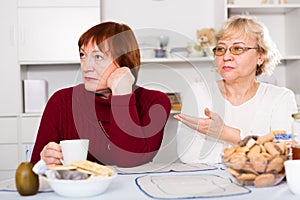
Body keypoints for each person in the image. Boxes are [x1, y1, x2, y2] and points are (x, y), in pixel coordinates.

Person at [30, 21, 171, 167]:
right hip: (80, 189)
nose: (86, 67)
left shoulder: (156, 102)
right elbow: (34, 168)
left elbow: (128, 161)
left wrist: (122, 95)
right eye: (83, 55)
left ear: (124, 63)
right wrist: (45, 162)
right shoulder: (61, 101)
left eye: (98, 57)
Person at [174, 15, 298, 163]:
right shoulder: (198, 93)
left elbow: (282, 154)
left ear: (260, 56)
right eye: (221, 49)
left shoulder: (281, 98)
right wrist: (258, 148)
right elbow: (188, 156)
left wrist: (225, 133)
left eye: (237, 48)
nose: (226, 56)